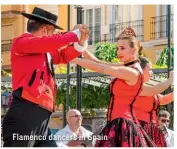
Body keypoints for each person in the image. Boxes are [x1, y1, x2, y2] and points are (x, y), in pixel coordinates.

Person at [2, 7, 89, 147]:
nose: (55, 35)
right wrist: (75, 33)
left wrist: (80, 43)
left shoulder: (42, 49)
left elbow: (63, 55)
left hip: (40, 117)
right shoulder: (22, 42)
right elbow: (50, 43)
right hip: (26, 113)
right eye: (53, 31)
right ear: (44, 30)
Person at [71, 28, 173, 146]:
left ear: (134, 50)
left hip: (123, 123)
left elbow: (97, 67)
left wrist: (70, 58)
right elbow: (97, 62)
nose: (118, 52)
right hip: (118, 122)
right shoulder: (128, 67)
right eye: (118, 48)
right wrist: (80, 46)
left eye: (122, 48)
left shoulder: (132, 72)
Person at [133, 56, 174, 147]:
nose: (152, 72)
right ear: (140, 70)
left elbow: (163, 99)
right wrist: (171, 79)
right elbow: (155, 89)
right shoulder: (134, 85)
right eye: (150, 69)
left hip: (148, 130)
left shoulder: (144, 88)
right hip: (136, 130)